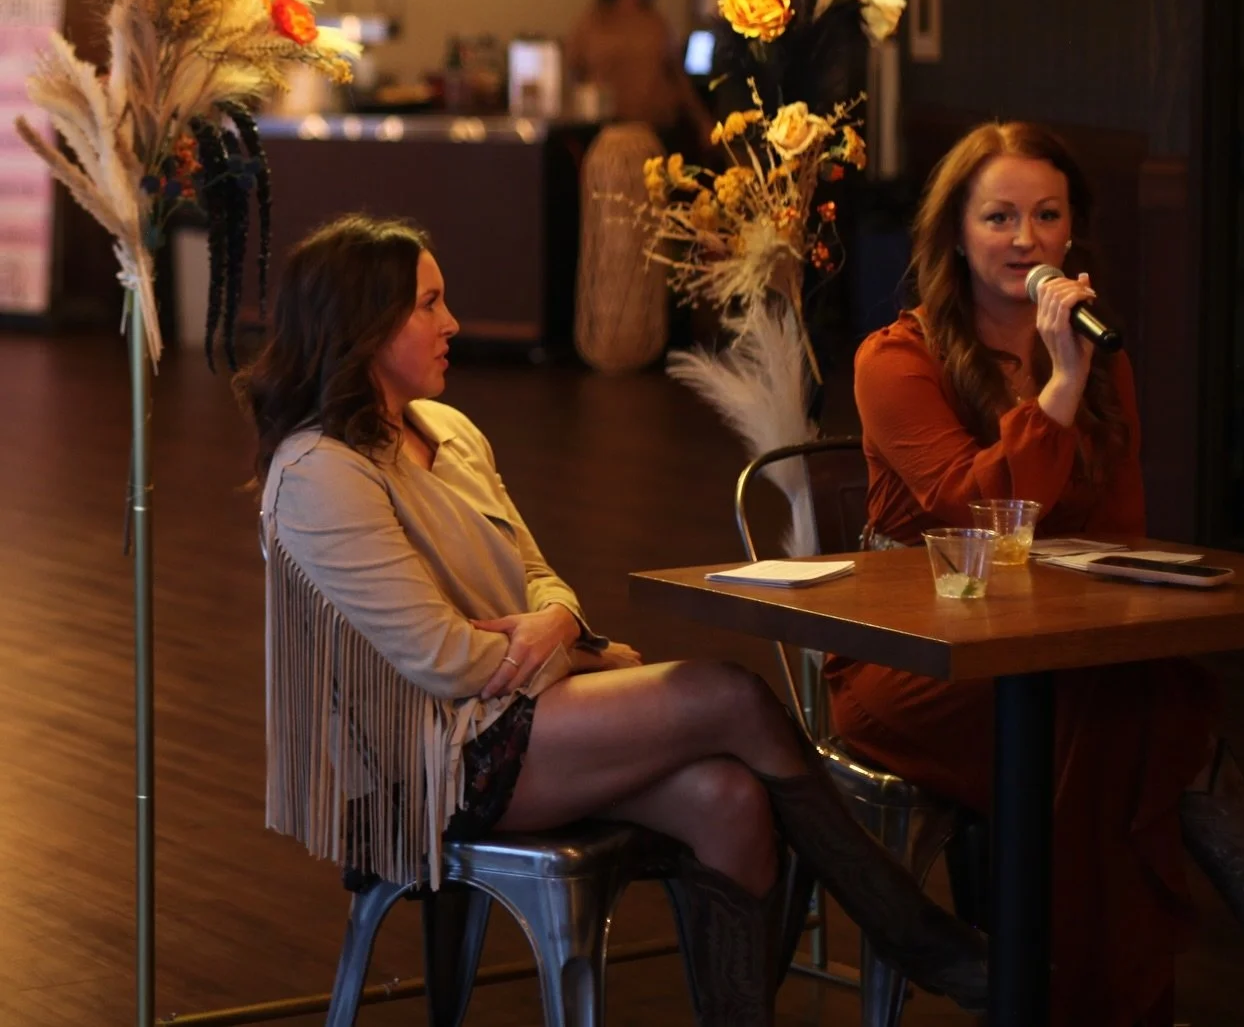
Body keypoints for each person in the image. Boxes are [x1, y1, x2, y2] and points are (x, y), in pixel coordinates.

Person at [237, 213, 988, 1027]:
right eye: (428, 303)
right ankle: (917, 934)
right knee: (730, 695)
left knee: (728, 796)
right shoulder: (317, 473)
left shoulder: (447, 431)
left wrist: (553, 627)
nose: (451, 321)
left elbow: (541, 579)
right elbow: (447, 660)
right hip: (426, 759)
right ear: (364, 323)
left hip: (514, 712)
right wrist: (582, 655)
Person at [825, 122, 1244, 1027]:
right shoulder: (897, 357)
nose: (1024, 238)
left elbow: (1119, 532)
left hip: (1050, 642)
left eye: (1046, 215)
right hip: (921, 652)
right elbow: (974, 511)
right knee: (1117, 710)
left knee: (1142, 693)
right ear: (957, 234)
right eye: (998, 216)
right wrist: (1057, 393)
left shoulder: (1092, 349)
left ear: (1071, 232)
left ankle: (1076, 995)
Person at [566, 0, 710, 150]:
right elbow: (572, 72)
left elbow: (679, 78)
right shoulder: (593, 24)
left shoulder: (655, 24)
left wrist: (702, 121)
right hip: (609, 132)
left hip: (656, 130)